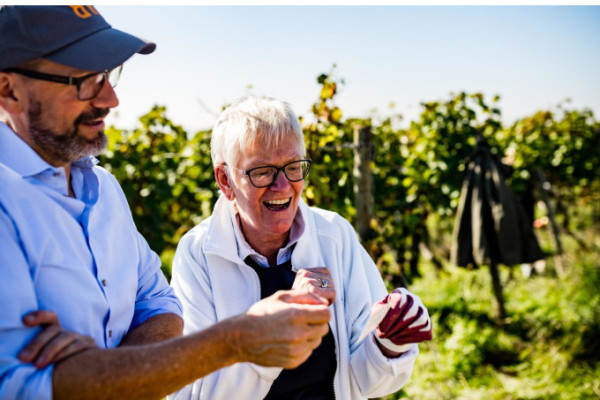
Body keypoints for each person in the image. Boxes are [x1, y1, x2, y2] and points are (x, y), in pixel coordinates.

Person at [0, 6, 331, 399]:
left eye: (106, 75)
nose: (110, 98)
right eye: (83, 81)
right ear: (9, 91)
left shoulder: (103, 190)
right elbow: (20, 388)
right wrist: (235, 340)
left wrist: (100, 369)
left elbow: (161, 306)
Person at [169, 96, 433, 400]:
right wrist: (270, 338)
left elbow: (365, 383)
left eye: (293, 167)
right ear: (225, 180)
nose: (283, 186)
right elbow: (190, 391)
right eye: (262, 171)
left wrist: (389, 344)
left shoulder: (334, 235)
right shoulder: (199, 254)